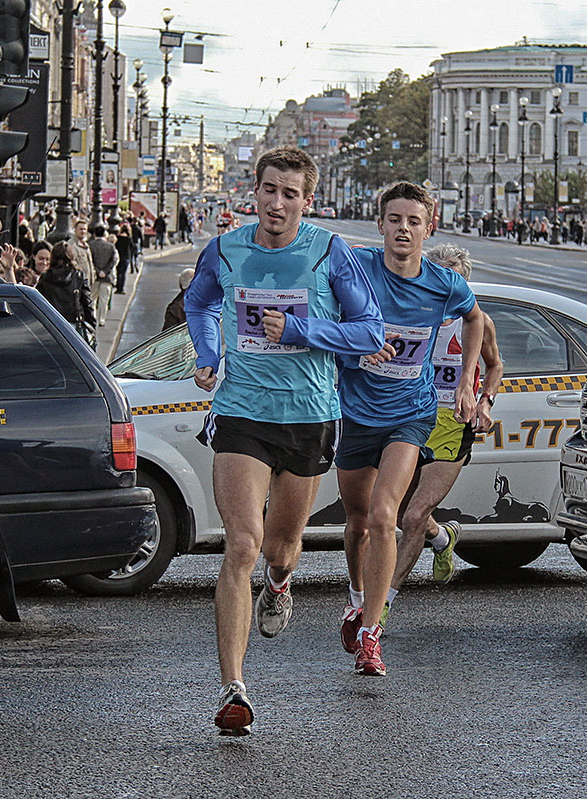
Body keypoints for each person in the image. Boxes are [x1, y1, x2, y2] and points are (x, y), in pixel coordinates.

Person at [184, 146, 383, 736]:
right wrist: (207, 352)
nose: (276, 203)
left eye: (289, 194)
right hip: (242, 411)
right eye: (269, 190)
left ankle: (280, 583)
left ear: (307, 200)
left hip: (309, 415)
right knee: (241, 545)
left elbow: (369, 330)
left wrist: (299, 328)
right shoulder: (225, 249)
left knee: (279, 547)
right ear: (256, 190)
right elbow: (198, 303)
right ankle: (233, 690)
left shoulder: (330, 252)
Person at [336, 181, 483, 677]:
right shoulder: (358, 270)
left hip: (410, 413)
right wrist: (354, 349)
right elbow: (324, 320)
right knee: (357, 523)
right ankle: (357, 603)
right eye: (395, 219)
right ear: (380, 225)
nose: (404, 229)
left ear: (429, 226)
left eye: (413, 221)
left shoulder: (444, 283)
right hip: (356, 411)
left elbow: (475, 318)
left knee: (384, 516)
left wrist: (467, 383)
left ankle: (373, 635)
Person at [384, 243, 503, 625]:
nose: (444, 281)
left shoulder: (478, 322)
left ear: (463, 281)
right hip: (408, 418)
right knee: (399, 511)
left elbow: (496, 365)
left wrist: (484, 401)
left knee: (416, 512)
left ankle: (383, 605)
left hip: (452, 424)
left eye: (453, 275)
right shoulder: (415, 313)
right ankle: (442, 538)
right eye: (437, 272)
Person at [36, 242, 95, 335]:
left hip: (52, 323)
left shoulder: (45, 277)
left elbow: (39, 302)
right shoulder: (78, 276)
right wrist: (92, 325)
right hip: (73, 323)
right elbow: (87, 303)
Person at [88, 225, 118, 327]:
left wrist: (97, 271)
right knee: (104, 300)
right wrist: (105, 271)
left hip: (94, 277)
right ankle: (102, 320)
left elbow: (90, 261)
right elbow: (113, 261)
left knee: (92, 298)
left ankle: (93, 318)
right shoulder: (110, 246)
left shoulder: (90, 245)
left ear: (95, 234)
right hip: (107, 277)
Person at [69, 218, 93, 283]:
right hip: (78, 282)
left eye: (85, 229)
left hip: (87, 282)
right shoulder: (71, 245)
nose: (83, 231)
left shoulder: (86, 245)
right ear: (75, 230)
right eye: (81, 229)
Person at [114, 224, 134, 295]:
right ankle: (121, 288)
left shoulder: (118, 237)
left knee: (118, 272)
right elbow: (132, 247)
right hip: (126, 257)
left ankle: (117, 287)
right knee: (123, 273)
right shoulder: (129, 238)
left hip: (119, 256)